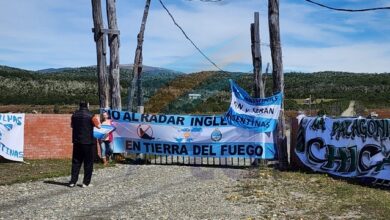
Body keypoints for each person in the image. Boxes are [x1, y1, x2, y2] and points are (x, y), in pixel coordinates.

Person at [69, 101, 100, 188]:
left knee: (76, 162)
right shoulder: (91, 115)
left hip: (76, 141)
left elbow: (71, 125)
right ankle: (85, 182)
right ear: (87, 105)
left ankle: (72, 181)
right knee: (88, 162)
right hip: (88, 142)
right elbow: (99, 126)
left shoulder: (74, 115)